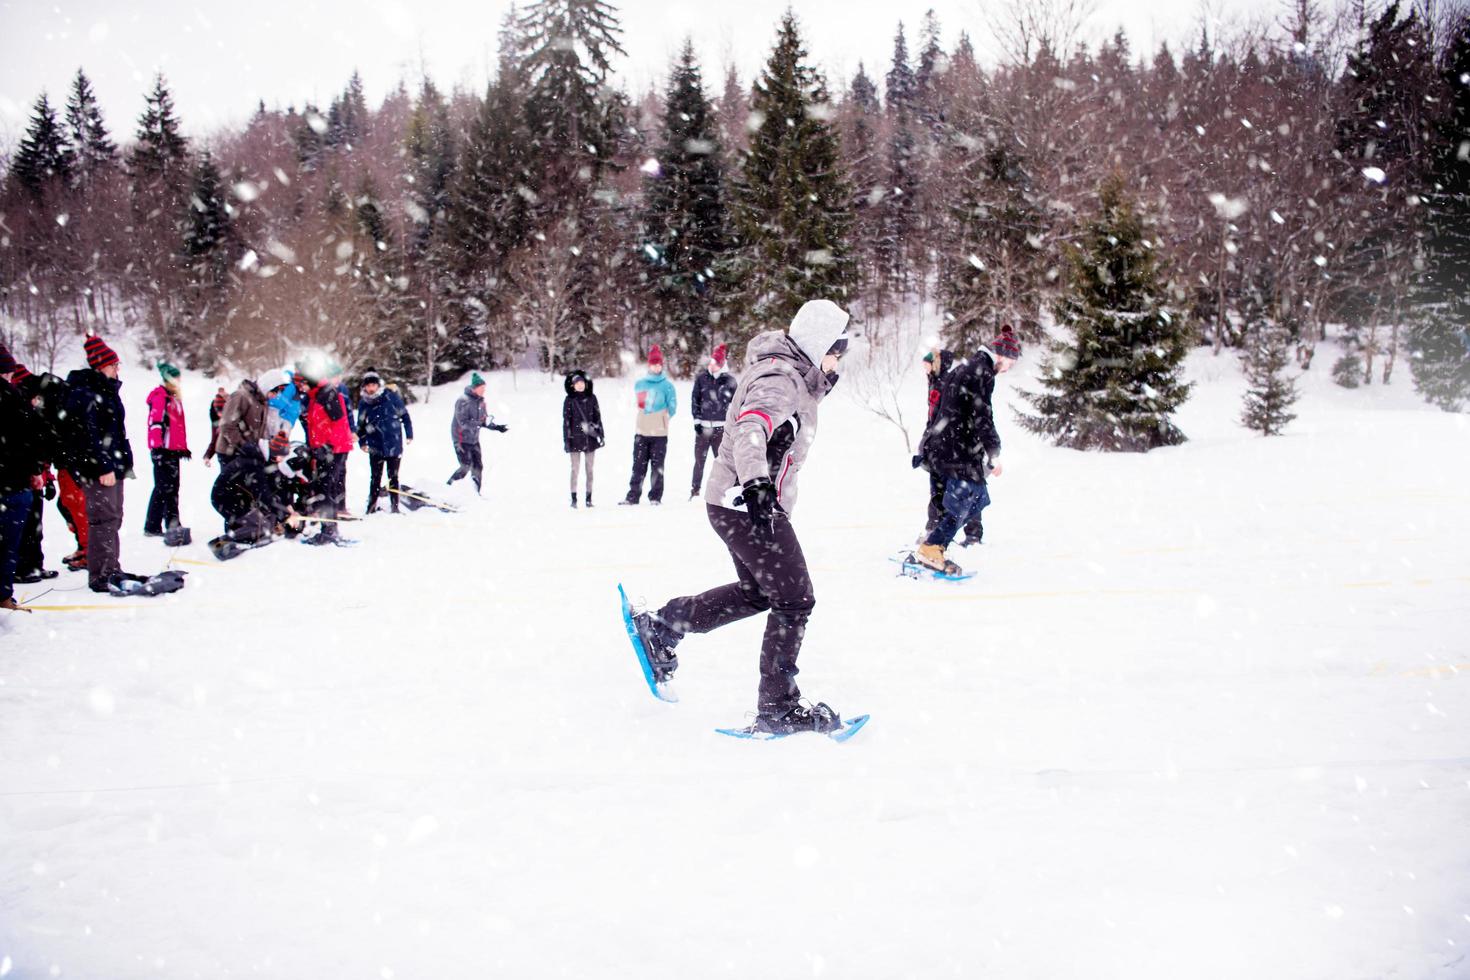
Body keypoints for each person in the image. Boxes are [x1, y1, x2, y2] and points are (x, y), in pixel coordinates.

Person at [626, 299, 853, 735]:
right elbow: (752, 427)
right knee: (794, 600)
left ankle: (662, 627)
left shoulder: (789, 373)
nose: (837, 361)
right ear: (820, 344)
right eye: (836, 351)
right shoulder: (782, 379)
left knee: (758, 593)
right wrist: (757, 485)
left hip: (733, 502)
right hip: (748, 505)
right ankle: (777, 709)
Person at [913, 325, 1022, 576]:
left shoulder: (966, 367)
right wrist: (994, 453)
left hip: (941, 448)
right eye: (1010, 364)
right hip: (956, 450)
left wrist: (929, 444)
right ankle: (933, 547)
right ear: (1002, 356)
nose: (1008, 369)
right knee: (973, 498)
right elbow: (982, 416)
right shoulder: (981, 372)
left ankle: (932, 544)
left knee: (946, 500)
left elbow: (945, 409)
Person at [64, 334, 141, 594]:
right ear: (100, 366)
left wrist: (122, 461)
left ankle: (111, 567)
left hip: (114, 465)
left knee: (114, 518)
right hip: (99, 469)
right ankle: (101, 575)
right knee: (103, 519)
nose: (117, 369)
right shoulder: (85, 393)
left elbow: (115, 431)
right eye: (114, 365)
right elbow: (87, 436)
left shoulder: (107, 390)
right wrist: (102, 466)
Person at [210, 370, 286, 545]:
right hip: (230, 451)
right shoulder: (241, 396)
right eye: (275, 391)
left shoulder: (262, 402)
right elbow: (227, 425)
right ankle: (232, 531)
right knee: (232, 491)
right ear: (267, 386)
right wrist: (243, 444)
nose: (275, 395)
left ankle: (244, 529)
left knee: (246, 493)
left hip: (249, 454)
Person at [919, 349, 983, 547]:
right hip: (937, 443)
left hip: (953, 445)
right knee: (939, 489)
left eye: (927, 363)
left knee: (961, 489)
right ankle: (934, 529)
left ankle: (972, 534)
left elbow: (947, 416)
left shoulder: (947, 383)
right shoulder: (934, 381)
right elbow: (933, 416)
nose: (924, 367)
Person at [0, 343, 46, 611]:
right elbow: (30, 439)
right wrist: (34, 470)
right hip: (13, 484)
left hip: (13, 481)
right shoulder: (14, 398)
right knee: (8, 547)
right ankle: (3, 596)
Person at [11, 363, 64, 583]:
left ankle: (34, 565)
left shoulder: (35, 414)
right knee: (21, 526)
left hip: (36, 474)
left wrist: (48, 477)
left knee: (35, 524)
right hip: (19, 476)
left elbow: (42, 449)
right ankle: (21, 567)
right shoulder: (16, 411)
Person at [302, 362, 353, 544]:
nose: (302, 387)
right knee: (325, 488)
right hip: (326, 449)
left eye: (304, 383)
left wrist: (328, 446)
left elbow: (339, 422)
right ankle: (329, 528)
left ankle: (329, 530)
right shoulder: (317, 395)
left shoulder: (326, 394)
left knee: (326, 488)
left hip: (333, 449)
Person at [620, 345, 677, 506]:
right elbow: (637, 404)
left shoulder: (667, 386)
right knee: (638, 465)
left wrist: (663, 418)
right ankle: (633, 496)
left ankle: (655, 497)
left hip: (659, 433)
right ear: (649, 365)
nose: (656, 366)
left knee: (657, 466)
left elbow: (672, 406)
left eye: (659, 364)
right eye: (653, 364)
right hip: (642, 431)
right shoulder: (640, 384)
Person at [143, 361, 191, 538]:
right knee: (162, 487)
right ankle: (152, 525)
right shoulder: (160, 397)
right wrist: (158, 449)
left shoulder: (174, 398)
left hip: (174, 451)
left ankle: (173, 522)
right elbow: (155, 423)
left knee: (173, 488)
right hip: (163, 451)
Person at [356, 369, 414, 514]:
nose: (370, 388)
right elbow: (361, 425)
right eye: (368, 386)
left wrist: (409, 433)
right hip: (375, 445)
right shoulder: (364, 403)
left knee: (393, 477)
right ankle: (371, 507)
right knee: (375, 478)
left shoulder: (390, 396)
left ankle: (395, 507)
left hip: (393, 443)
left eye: (373, 385)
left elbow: (404, 415)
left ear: (378, 385)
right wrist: (362, 441)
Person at [689, 343, 737, 500]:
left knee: (724, 464)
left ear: (722, 364)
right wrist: (697, 420)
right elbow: (695, 399)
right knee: (699, 462)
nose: (712, 365)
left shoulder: (729, 381)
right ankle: (695, 491)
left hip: (721, 431)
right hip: (703, 430)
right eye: (711, 362)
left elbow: (737, 404)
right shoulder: (702, 378)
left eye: (716, 363)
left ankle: (728, 492)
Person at [447, 372, 508, 493]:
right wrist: (479, 424)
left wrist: (496, 427)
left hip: (474, 439)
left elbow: (483, 420)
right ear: (474, 388)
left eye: (484, 388)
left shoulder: (481, 402)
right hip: (461, 439)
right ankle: (448, 488)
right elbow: (463, 423)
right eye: (482, 388)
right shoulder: (463, 401)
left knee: (478, 467)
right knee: (465, 466)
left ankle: (475, 493)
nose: (484, 390)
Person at [562, 369, 604, 508]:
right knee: (575, 469)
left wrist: (601, 434)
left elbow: (598, 417)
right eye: (577, 383)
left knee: (590, 470)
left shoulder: (592, 398)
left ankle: (588, 498)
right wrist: (567, 440)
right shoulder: (569, 400)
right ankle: (574, 498)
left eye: (582, 382)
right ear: (573, 385)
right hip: (574, 439)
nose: (580, 385)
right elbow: (566, 421)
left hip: (590, 439)